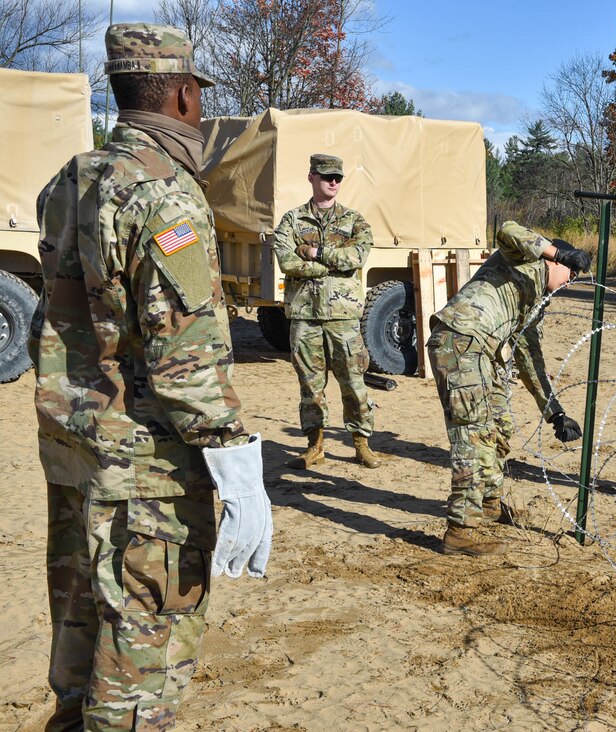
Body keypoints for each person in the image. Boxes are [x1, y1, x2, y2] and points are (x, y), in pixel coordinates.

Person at [29, 23, 272, 730]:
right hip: (147, 467)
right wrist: (237, 464)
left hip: (76, 447)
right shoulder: (165, 197)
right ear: (185, 97)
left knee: (82, 632)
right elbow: (184, 355)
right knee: (141, 648)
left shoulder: (70, 180)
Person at [427, 221, 592, 556]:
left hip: (483, 355)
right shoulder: (522, 257)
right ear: (554, 262)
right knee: (473, 436)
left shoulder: (535, 304)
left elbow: (531, 359)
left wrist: (554, 411)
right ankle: (459, 530)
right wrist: (561, 251)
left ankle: (488, 505)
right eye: (570, 274)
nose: (568, 284)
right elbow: (508, 229)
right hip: (460, 340)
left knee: (498, 429)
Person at [273, 153, 381, 470]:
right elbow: (285, 260)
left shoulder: (354, 220)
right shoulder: (292, 220)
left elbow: (357, 257)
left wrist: (314, 252)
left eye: (338, 178)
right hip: (305, 316)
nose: (333, 182)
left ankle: (361, 444)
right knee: (310, 387)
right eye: (326, 177)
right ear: (312, 177)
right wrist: (327, 268)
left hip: (343, 317)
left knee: (353, 384)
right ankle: (315, 446)